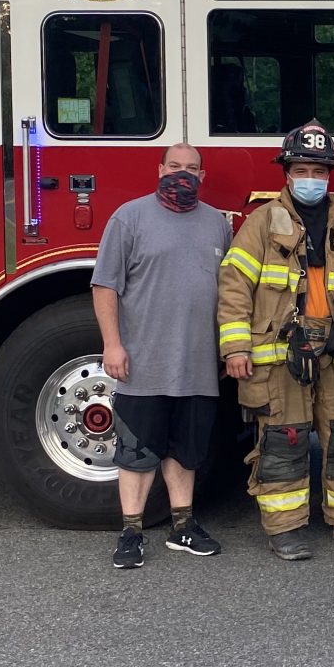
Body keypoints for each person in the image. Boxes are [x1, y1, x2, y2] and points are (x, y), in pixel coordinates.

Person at [216, 122, 334, 559]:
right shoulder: (261, 222)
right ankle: (284, 528)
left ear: (329, 174)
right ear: (287, 173)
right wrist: (235, 348)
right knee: (283, 438)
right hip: (280, 354)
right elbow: (234, 285)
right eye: (302, 169)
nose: (311, 178)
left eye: (319, 170)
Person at [91, 142, 229, 570]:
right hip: (143, 362)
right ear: (159, 169)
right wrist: (112, 344)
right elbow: (104, 286)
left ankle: (182, 526)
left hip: (198, 364)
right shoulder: (128, 218)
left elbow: (229, 294)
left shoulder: (218, 225)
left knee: (186, 452)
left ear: (202, 176)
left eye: (191, 168)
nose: (182, 174)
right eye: (174, 166)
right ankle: (131, 531)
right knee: (136, 451)